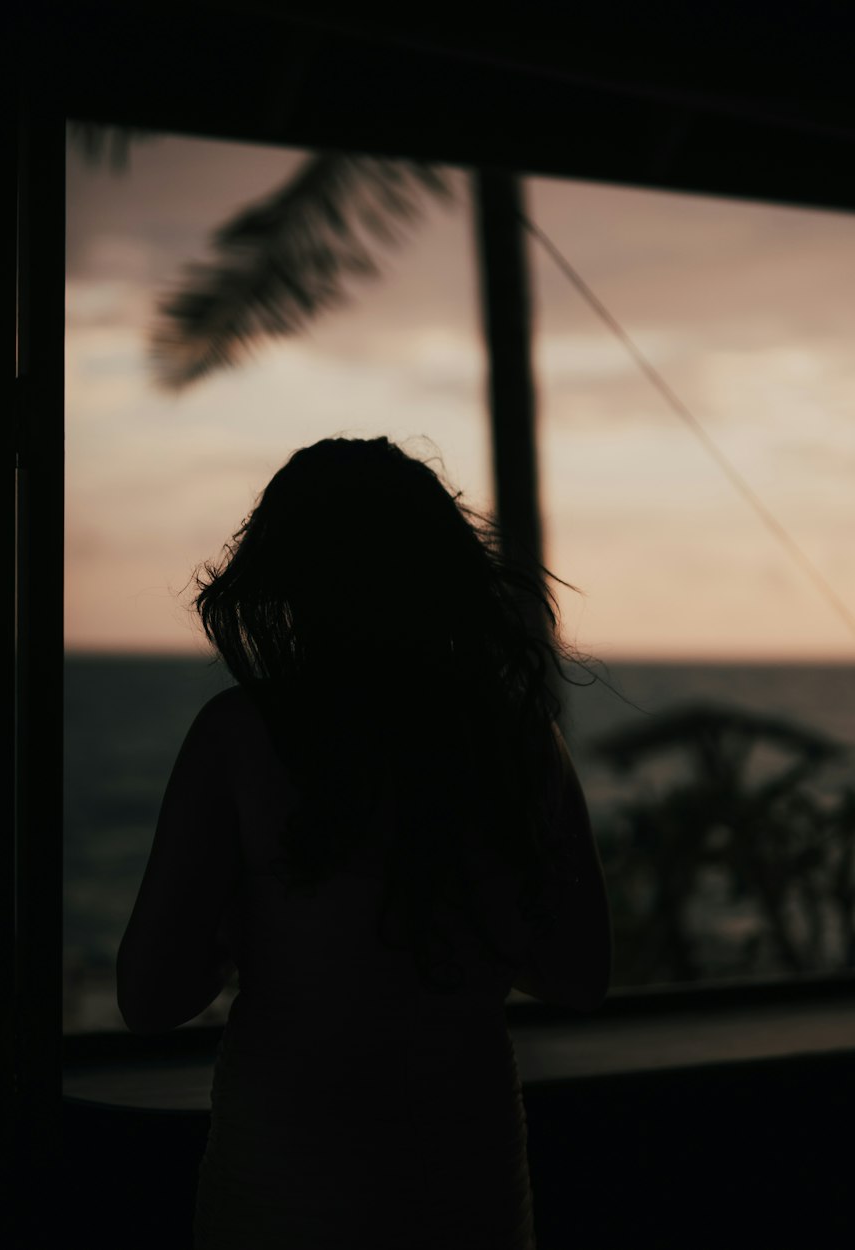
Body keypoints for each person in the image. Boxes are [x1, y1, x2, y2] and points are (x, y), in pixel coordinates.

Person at [117, 436, 612, 1249]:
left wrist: (248, 926)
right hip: (469, 1185)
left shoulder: (241, 737)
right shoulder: (516, 742)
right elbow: (581, 975)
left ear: (289, 578)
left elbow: (148, 999)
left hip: (288, 1187)